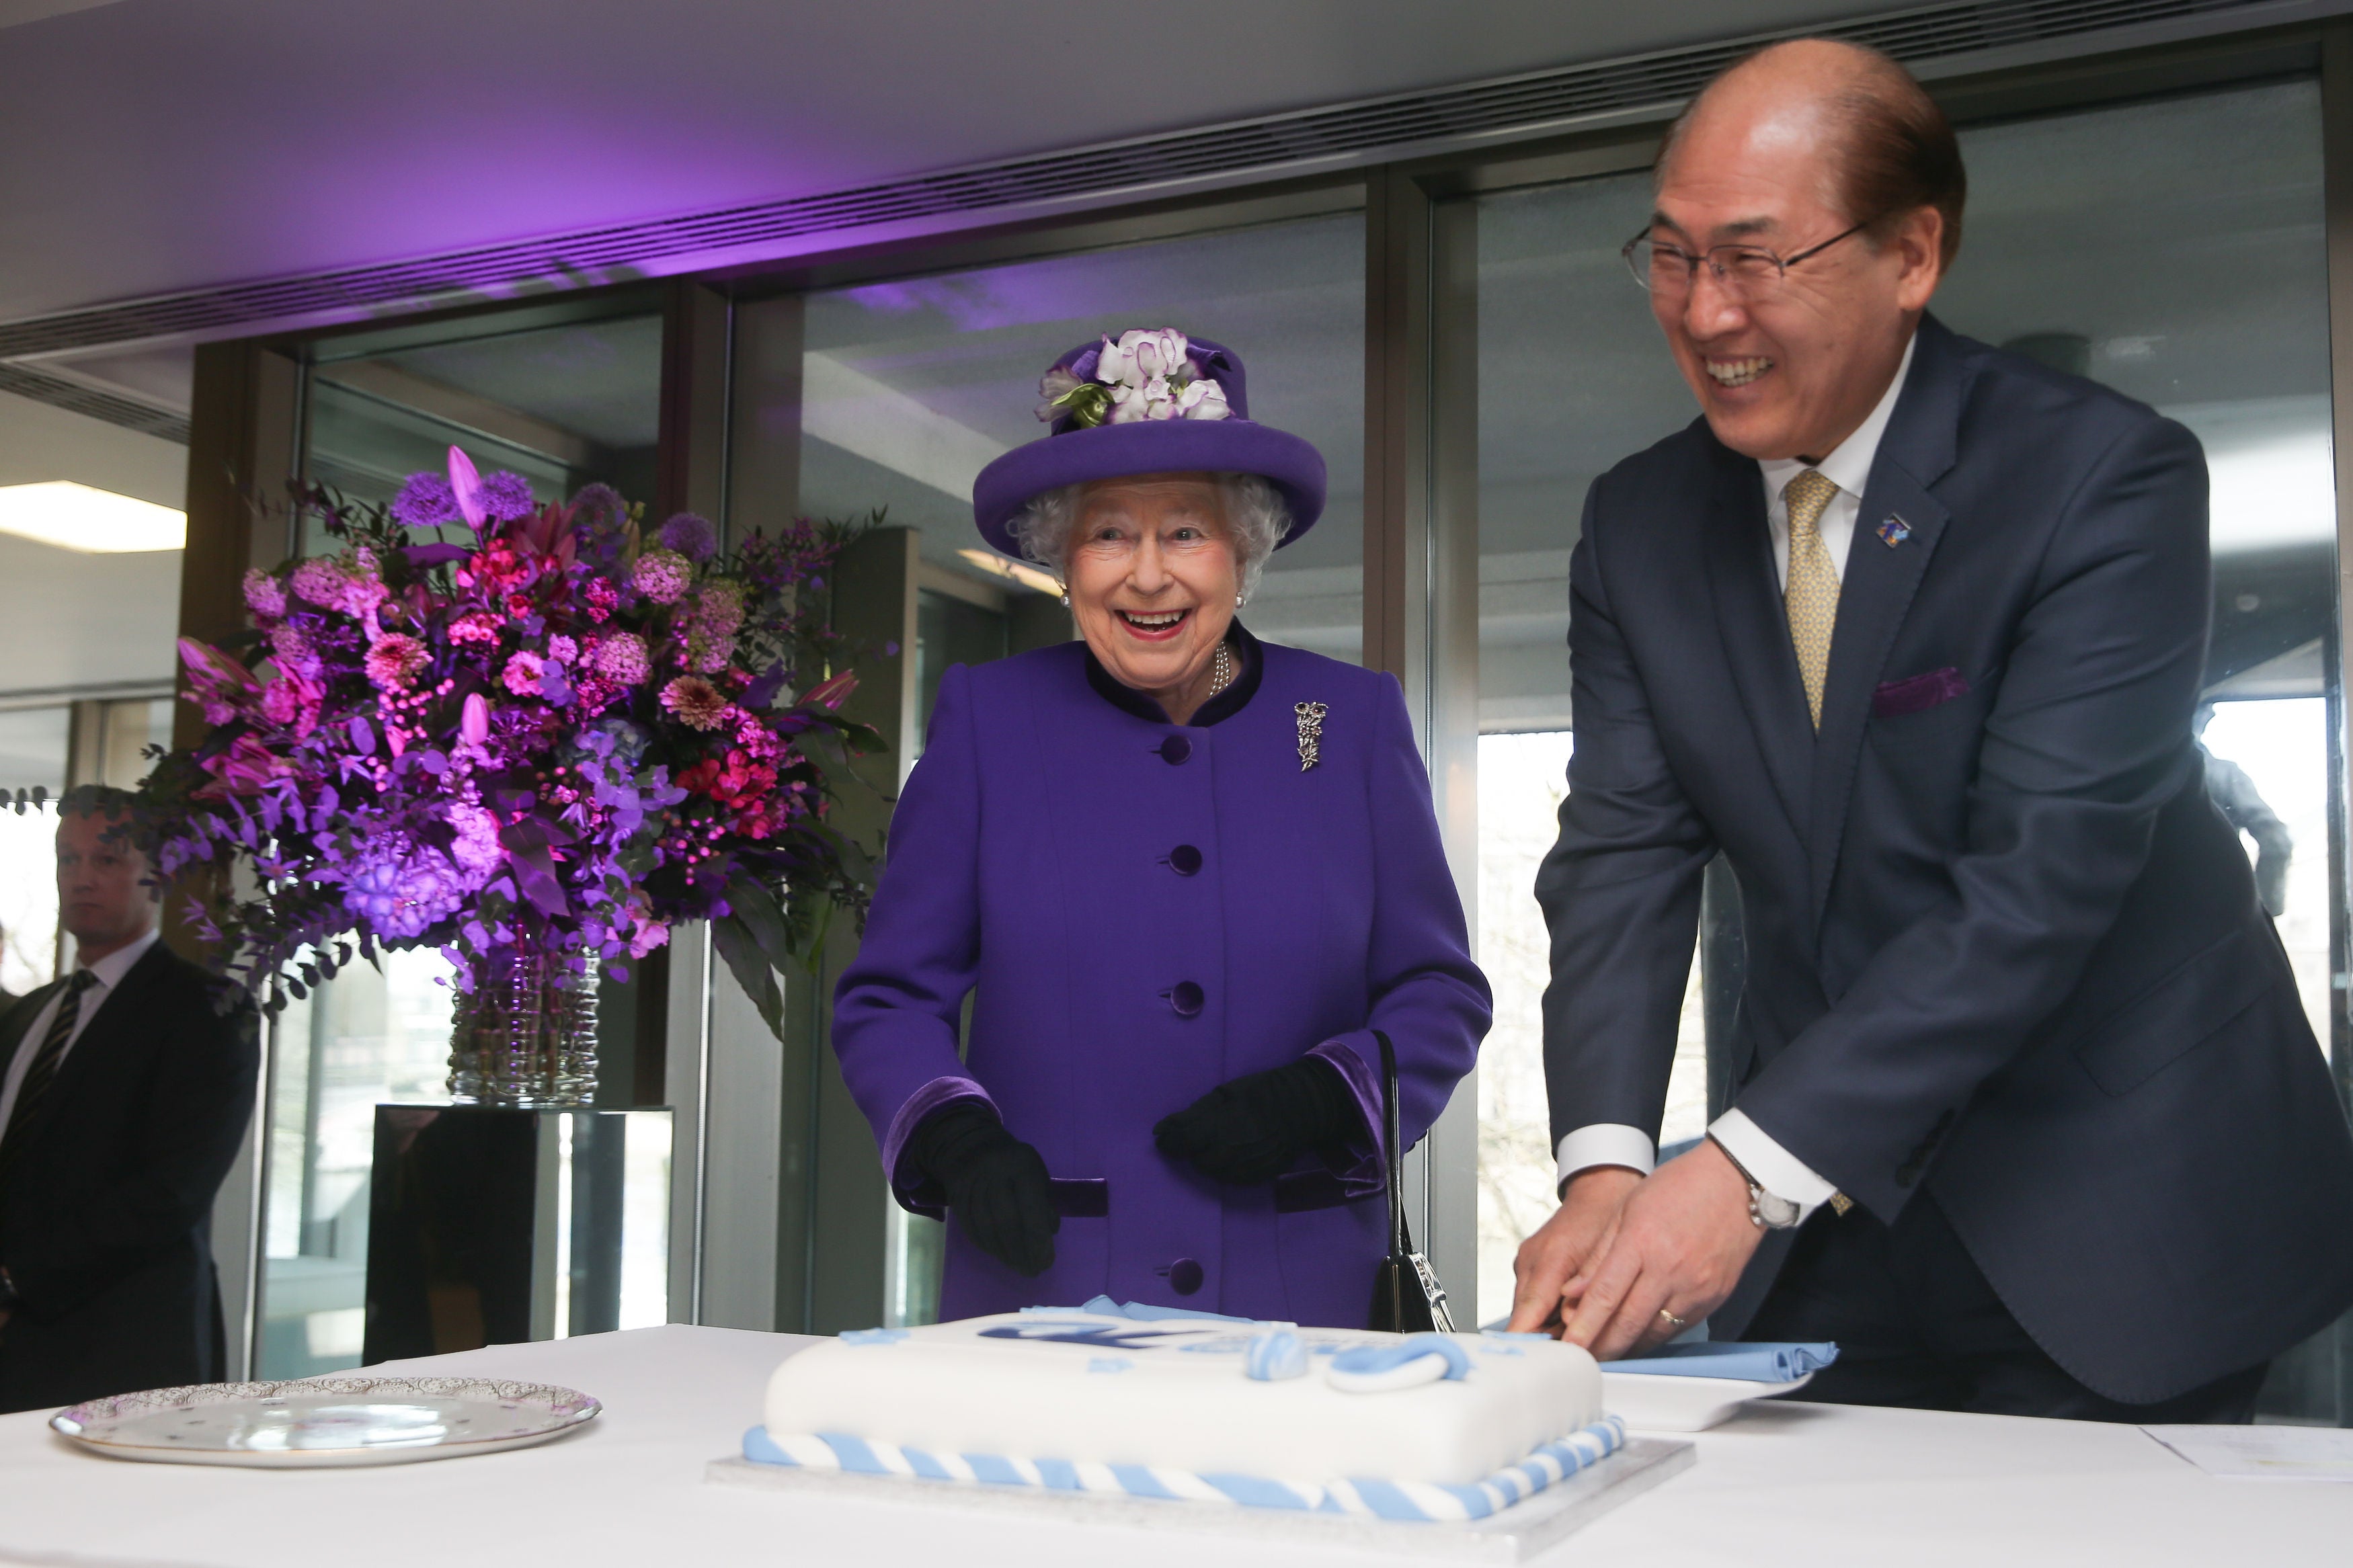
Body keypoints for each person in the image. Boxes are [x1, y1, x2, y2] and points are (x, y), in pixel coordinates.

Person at [1508, 39, 2353, 1420]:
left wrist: (1733, 1168)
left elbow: (2040, 877)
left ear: (1912, 255)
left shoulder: (2102, 478)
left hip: (2115, 1201)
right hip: (1832, 1221)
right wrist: (1605, 1164)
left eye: (1753, 256)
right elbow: (1621, 852)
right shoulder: (1637, 521)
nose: (1703, 309)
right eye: (1668, 253)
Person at [833, 329, 1490, 1325]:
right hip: (1046, 1301)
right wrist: (953, 1133)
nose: (1148, 576)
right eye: (1109, 535)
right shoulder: (990, 723)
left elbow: (1437, 991)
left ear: (1244, 551)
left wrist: (1327, 1095)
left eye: (1186, 532)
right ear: (1064, 559)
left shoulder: (1345, 724)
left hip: (1301, 1304)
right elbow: (890, 997)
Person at [0, 786, 259, 1413]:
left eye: (107, 860)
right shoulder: (32, 1012)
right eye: (69, 859)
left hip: (123, 1353)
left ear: (159, 876)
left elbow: (170, 1191)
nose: (82, 877)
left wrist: (15, 1282)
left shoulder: (207, 1011)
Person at [2195, 704, 2290, 918]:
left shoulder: (2136, 775)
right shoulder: (2225, 775)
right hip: (2218, 905)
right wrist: (2265, 908)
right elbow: (2277, 841)